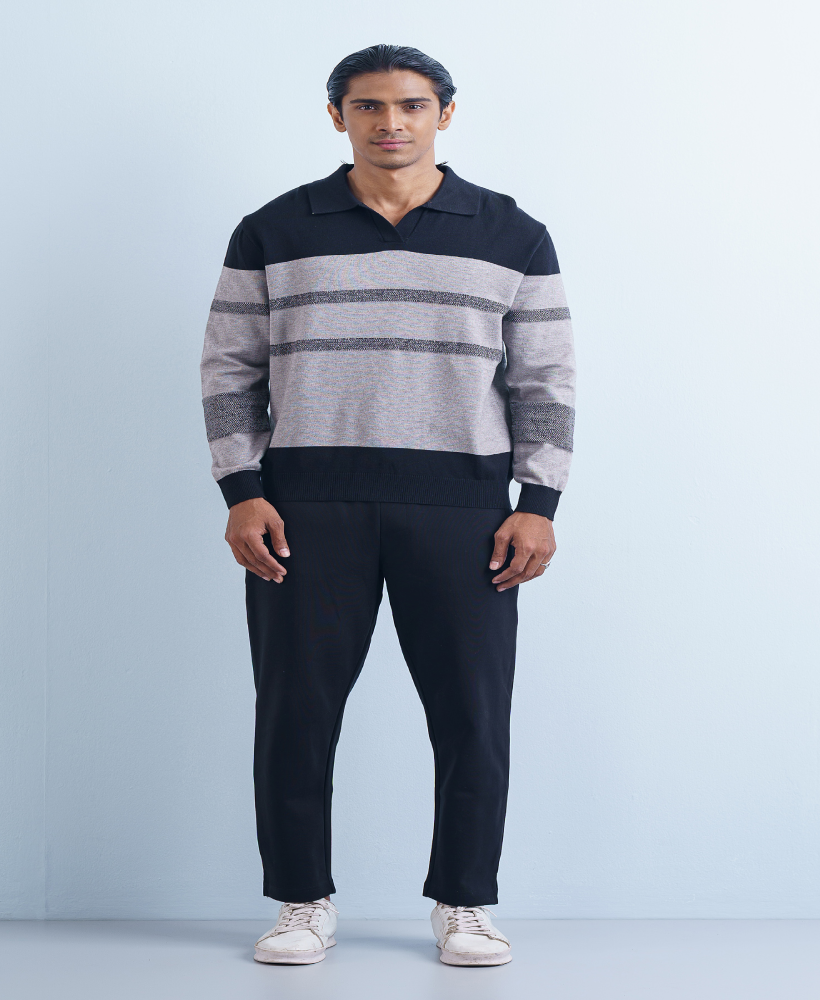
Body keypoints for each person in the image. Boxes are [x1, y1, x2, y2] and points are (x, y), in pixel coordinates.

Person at [200, 43, 575, 967]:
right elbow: (229, 369)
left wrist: (540, 500)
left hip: (465, 508)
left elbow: (545, 378)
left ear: (445, 112)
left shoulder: (511, 232)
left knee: (473, 713)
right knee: (295, 710)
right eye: (368, 106)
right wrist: (242, 489)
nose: (391, 123)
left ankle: (465, 900)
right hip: (305, 505)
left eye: (410, 104)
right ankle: (301, 899)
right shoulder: (273, 229)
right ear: (338, 117)